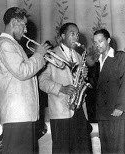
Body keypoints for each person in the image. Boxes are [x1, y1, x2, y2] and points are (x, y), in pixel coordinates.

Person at [0, 7, 49, 154]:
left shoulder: (12, 44)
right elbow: (22, 72)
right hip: (17, 115)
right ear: (14, 22)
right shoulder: (5, 44)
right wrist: (38, 55)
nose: (25, 30)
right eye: (23, 25)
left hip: (22, 114)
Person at [39, 22, 92, 154]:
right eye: (72, 34)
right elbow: (42, 81)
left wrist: (84, 76)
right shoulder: (51, 55)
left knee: (82, 150)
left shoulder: (79, 56)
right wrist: (61, 88)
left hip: (79, 110)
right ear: (62, 36)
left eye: (77, 34)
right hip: (61, 112)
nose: (76, 38)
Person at [94, 29, 125, 153]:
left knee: (118, 149)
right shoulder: (98, 61)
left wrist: (120, 106)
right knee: (106, 150)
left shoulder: (120, 57)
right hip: (102, 114)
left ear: (108, 41)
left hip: (117, 112)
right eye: (95, 42)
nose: (97, 45)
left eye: (100, 41)